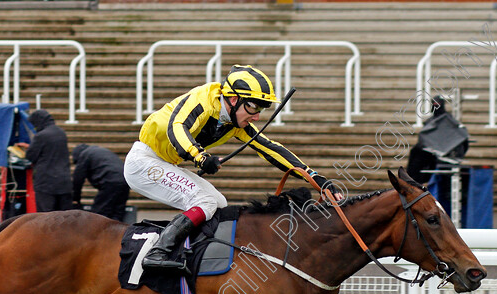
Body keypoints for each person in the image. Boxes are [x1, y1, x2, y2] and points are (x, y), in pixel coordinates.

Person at [124, 64, 341, 271]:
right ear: (234, 99)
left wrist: (315, 178)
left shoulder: (236, 124)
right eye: (253, 107)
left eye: (261, 110)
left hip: (165, 162)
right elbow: (177, 127)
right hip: (144, 161)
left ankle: (191, 251)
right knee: (205, 201)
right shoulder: (203, 100)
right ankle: (157, 253)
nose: (256, 116)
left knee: (219, 203)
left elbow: (271, 148)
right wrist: (200, 157)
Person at [15, 109, 72, 212]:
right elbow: (51, 149)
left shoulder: (41, 135)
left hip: (46, 183)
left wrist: (29, 148)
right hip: (64, 181)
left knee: (45, 216)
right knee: (64, 216)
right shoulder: (61, 132)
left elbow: (31, 156)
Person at [71, 143, 131, 221]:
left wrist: (76, 199)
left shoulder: (85, 155)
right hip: (125, 181)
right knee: (117, 214)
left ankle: (94, 232)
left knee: (98, 215)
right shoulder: (99, 151)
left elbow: (78, 179)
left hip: (110, 182)